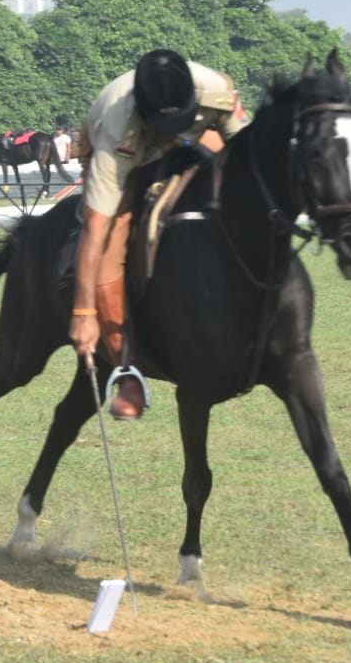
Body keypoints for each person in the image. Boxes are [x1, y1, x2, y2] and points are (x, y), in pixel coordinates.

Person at [69, 49, 250, 419]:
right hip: (129, 160)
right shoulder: (117, 124)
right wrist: (84, 311)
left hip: (193, 147)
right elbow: (95, 229)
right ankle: (127, 371)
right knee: (108, 252)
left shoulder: (217, 90)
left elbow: (249, 154)